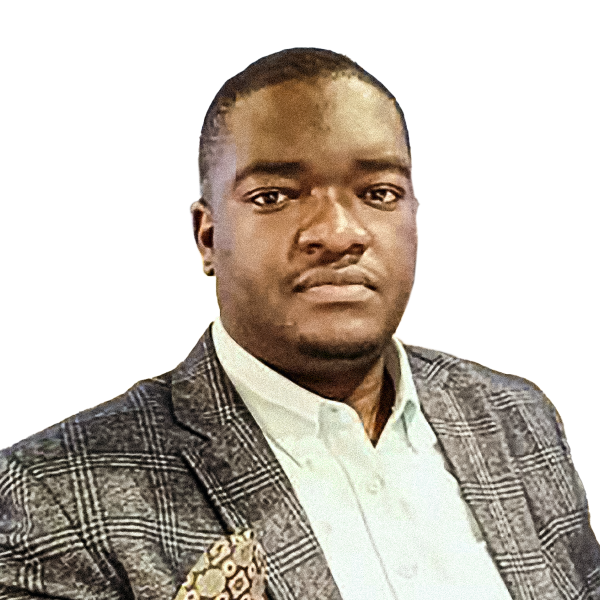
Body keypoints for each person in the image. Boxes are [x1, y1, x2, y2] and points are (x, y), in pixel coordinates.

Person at [0, 47, 597, 600]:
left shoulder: (519, 418)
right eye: (274, 196)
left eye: (379, 193)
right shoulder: (51, 492)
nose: (338, 234)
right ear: (207, 237)